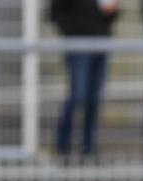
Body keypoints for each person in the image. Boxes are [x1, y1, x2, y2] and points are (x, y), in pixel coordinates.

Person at [50, 0, 120, 156]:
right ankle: (63, 147)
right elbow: (55, 13)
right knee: (78, 96)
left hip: (101, 44)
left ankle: (88, 148)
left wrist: (112, 10)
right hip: (78, 46)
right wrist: (73, 33)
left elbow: (113, 15)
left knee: (94, 99)